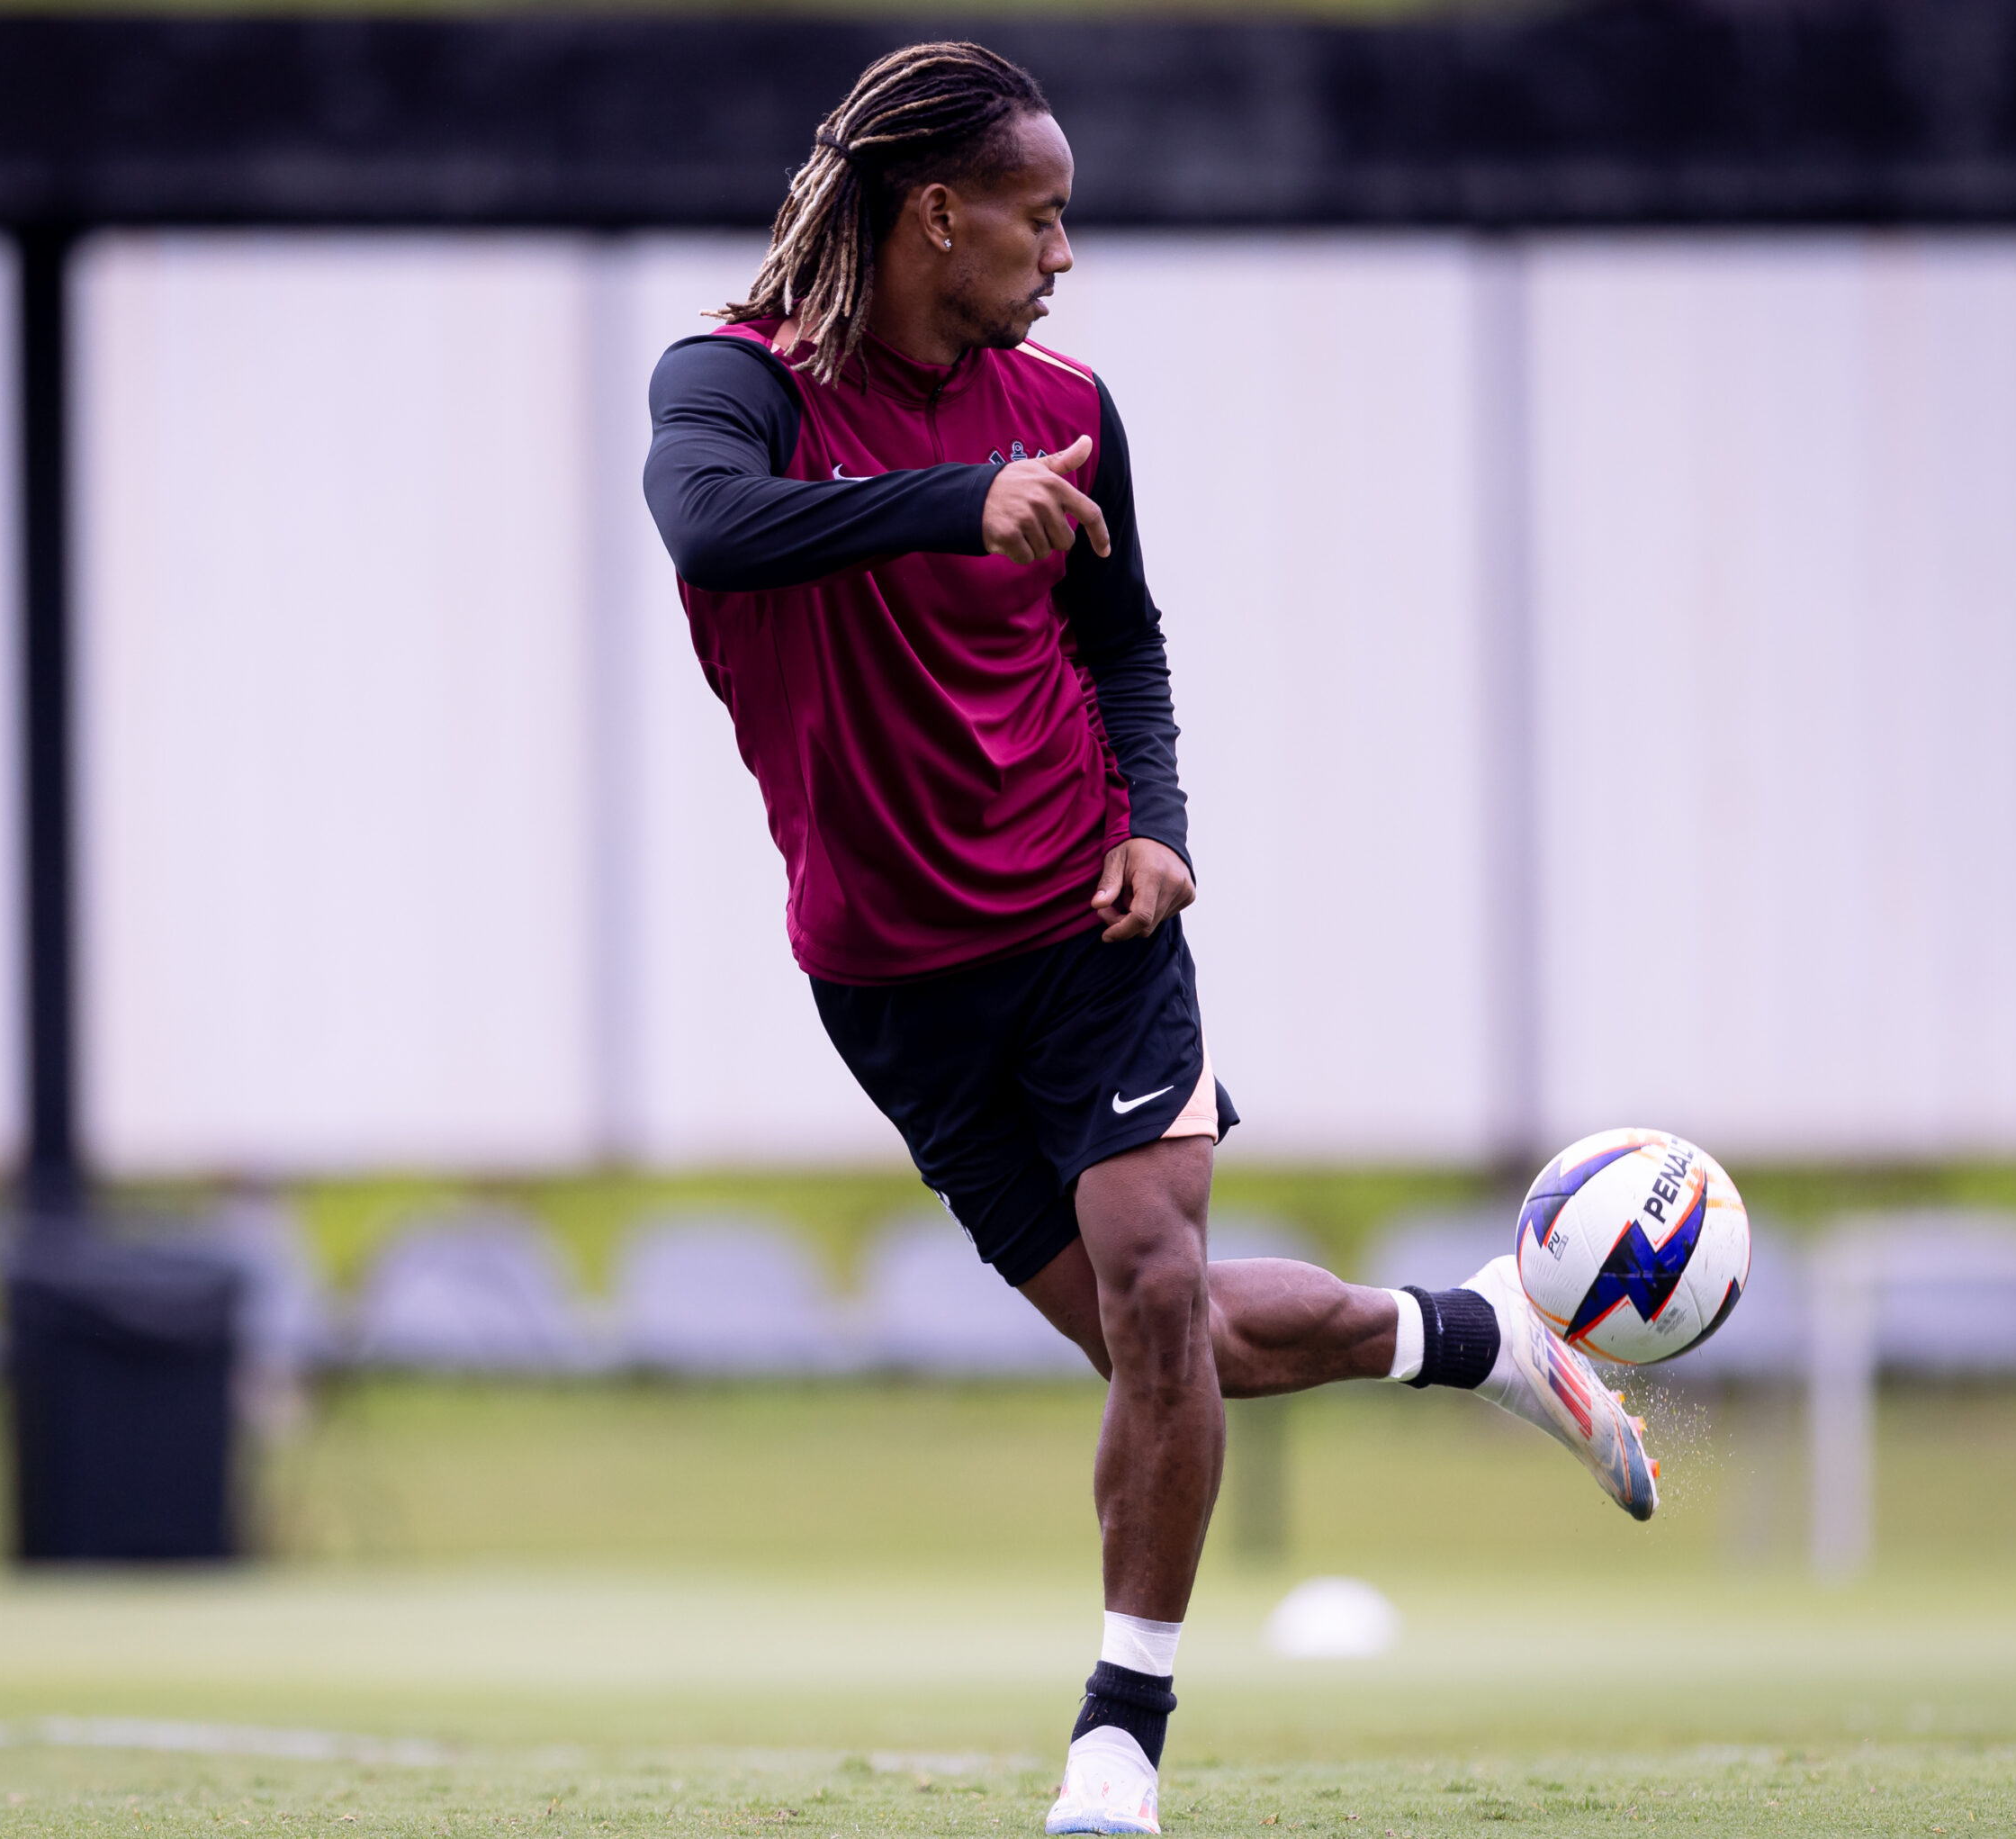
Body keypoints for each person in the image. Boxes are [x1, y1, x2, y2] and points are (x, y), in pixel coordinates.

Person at [642, 41, 1657, 1835]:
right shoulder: (734, 381)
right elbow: (708, 528)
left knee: (1160, 1283)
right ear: (933, 216)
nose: (1062, 252)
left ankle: (1118, 1738)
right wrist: (957, 501)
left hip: (1083, 921)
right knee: (1166, 1352)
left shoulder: (1070, 405)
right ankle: (1477, 1332)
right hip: (887, 976)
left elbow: (1121, 641)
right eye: (1036, 216)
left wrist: (1158, 825)